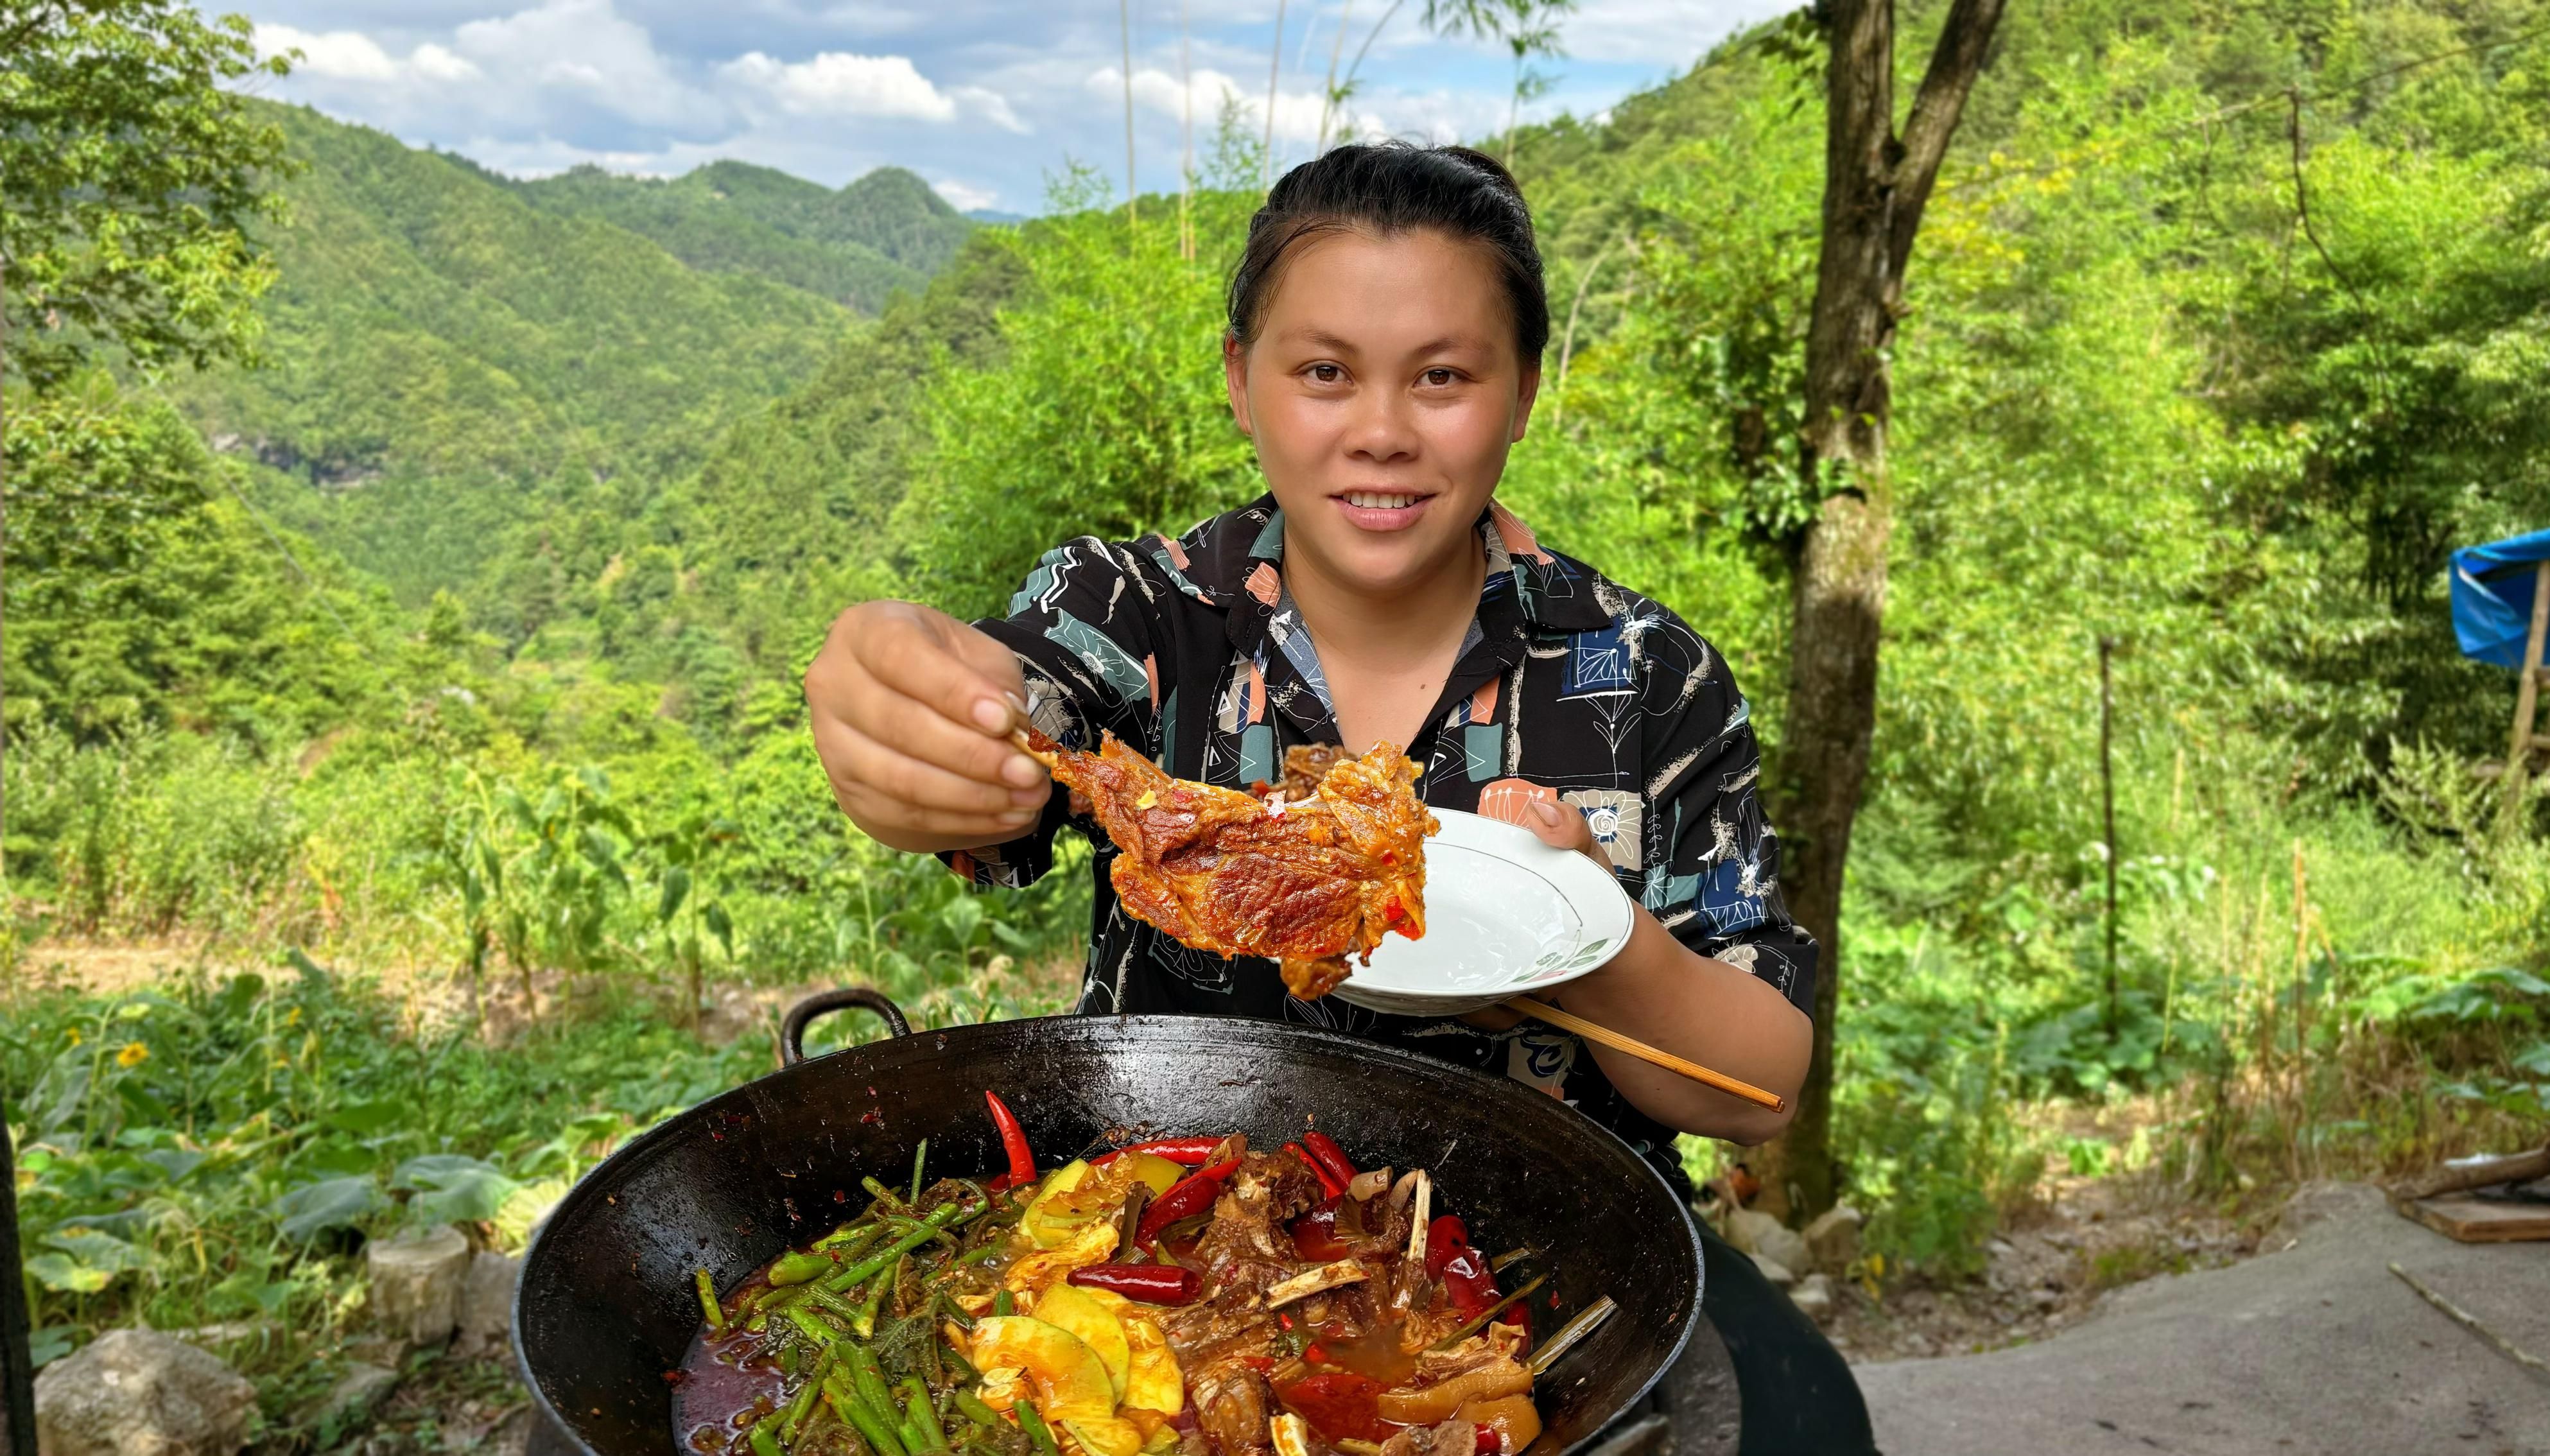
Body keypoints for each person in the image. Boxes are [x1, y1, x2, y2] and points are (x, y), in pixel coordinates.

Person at [803, 141, 1873, 1455]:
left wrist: (1588, 936)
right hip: (1170, 1228)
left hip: (1557, 1258)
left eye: (1444, 375)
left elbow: (1755, 1087)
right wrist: (916, 711)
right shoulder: (1144, 616)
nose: (1381, 428)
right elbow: (1015, 718)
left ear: (1523, 391)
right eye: (1323, 373)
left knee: (1817, 1425)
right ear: (1242, 384)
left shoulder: (1647, 679)